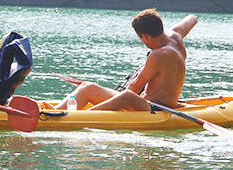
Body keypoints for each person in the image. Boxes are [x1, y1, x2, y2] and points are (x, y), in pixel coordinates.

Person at [54, 9, 198, 111]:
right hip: (156, 103)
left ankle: (80, 116)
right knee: (87, 87)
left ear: (143, 36)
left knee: (127, 95)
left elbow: (135, 87)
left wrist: (114, 100)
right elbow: (192, 18)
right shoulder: (176, 36)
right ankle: (56, 111)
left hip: (155, 108)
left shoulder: (159, 54)